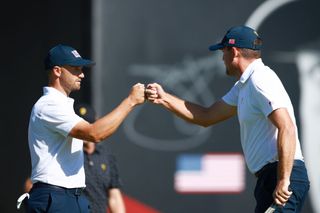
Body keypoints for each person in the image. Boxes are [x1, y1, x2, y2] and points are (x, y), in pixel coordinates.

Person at [145, 26, 310, 212]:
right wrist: (164, 98)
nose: (222, 58)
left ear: (234, 51)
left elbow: (287, 127)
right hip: (270, 178)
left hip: (282, 175)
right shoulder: (244, 85)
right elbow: (206, 116)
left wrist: (283, 179)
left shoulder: (260, 79)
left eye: (223, 51)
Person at [26, 44, 145, 212]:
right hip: (55, 197)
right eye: (75, 69)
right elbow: (95, 133)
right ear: (57, 71)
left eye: (81, 69)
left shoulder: (61, 105)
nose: (81, 74)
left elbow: (96, 132)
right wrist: (130, 101)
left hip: (73, 198)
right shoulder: (48, 105)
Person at [74, 103, 125, 213]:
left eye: (89, 125)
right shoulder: (67, 153)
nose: (85, 130)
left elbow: (114, 196)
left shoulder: (106, 155)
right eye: (81, 126)